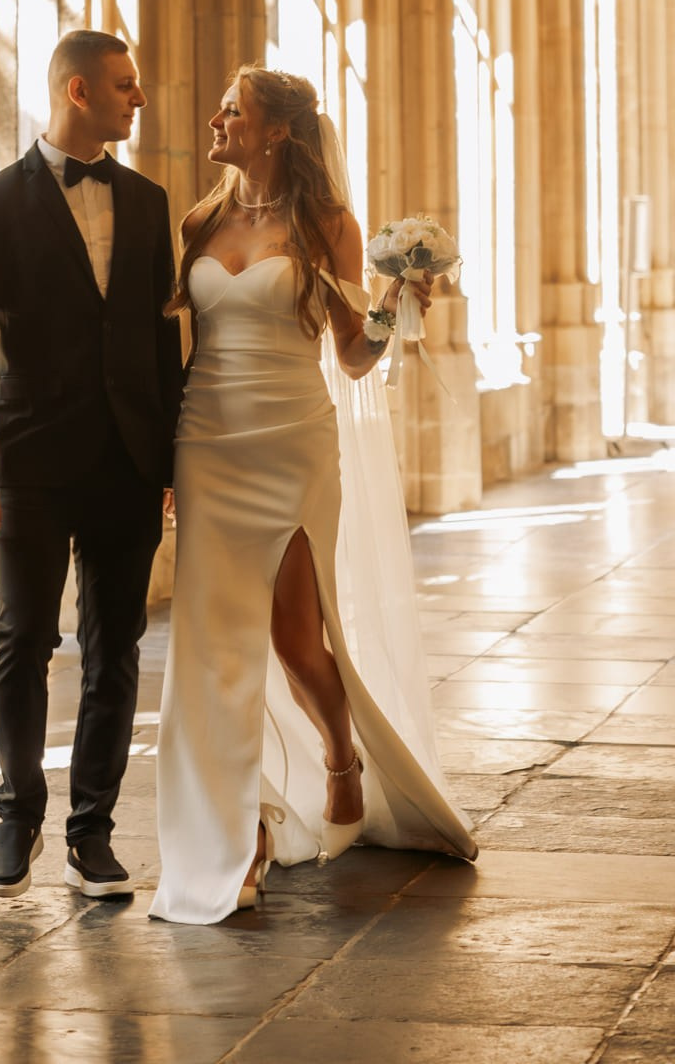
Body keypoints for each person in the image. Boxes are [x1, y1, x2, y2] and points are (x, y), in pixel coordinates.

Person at [150, 65, 477, 925]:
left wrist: (398, 300)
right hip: (206, 443)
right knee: (211, 651)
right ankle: (239, 831)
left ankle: (341, 754)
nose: (216, 118)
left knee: (296, 641)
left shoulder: (327, 224)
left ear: (277, 131)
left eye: (234, 110)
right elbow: (178, 349)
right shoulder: (197, 221)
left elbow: (355, 355)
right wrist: (163, 463)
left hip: (292, 443)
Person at [0, 30, 182, 900]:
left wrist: (171, 461)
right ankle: (17, 817)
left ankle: (93, 833)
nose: (139, 98)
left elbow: (161, 342)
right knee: (23, 641)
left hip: (128, 462)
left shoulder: (149, 202)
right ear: (78, 91)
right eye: (125, 85)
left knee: (116, 648)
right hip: (31, 463)